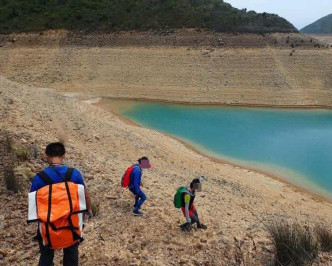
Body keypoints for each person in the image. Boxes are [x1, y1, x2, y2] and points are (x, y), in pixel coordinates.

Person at [30, 142, 92, 266]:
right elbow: (84, 195)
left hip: (48, 223)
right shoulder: (74, 174)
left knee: (46, 257)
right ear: (63, 155)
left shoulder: (39, 178)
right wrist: (89, 209)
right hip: (71, 223)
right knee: (71, 254)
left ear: (46, 156)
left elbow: (33, 203)